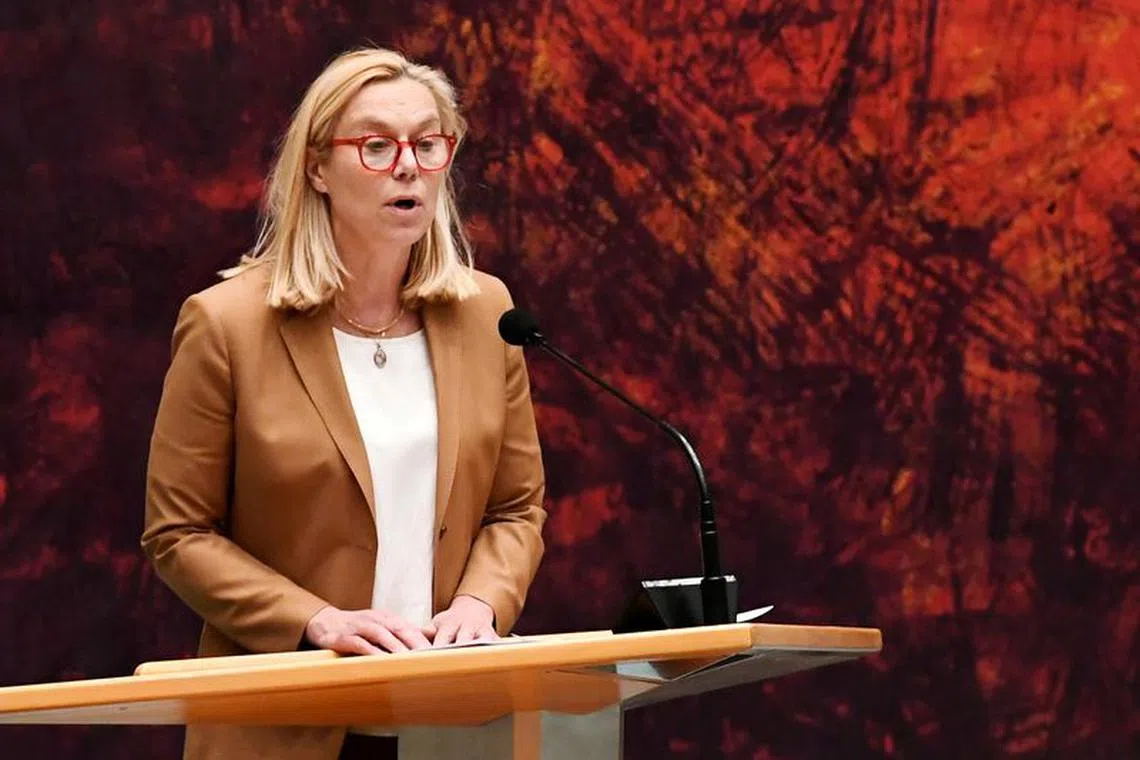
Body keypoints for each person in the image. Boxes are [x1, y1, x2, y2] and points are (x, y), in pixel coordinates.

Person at [141, 46, 547, 760]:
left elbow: (515, 509)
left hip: (450, 717)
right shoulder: (227, 325)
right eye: (377, 146)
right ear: (317, 169)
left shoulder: (488, 313)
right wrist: (316, 620)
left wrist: (480, 602)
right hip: (285, 721)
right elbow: (179, 533)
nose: (408, 166)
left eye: (427, 143)